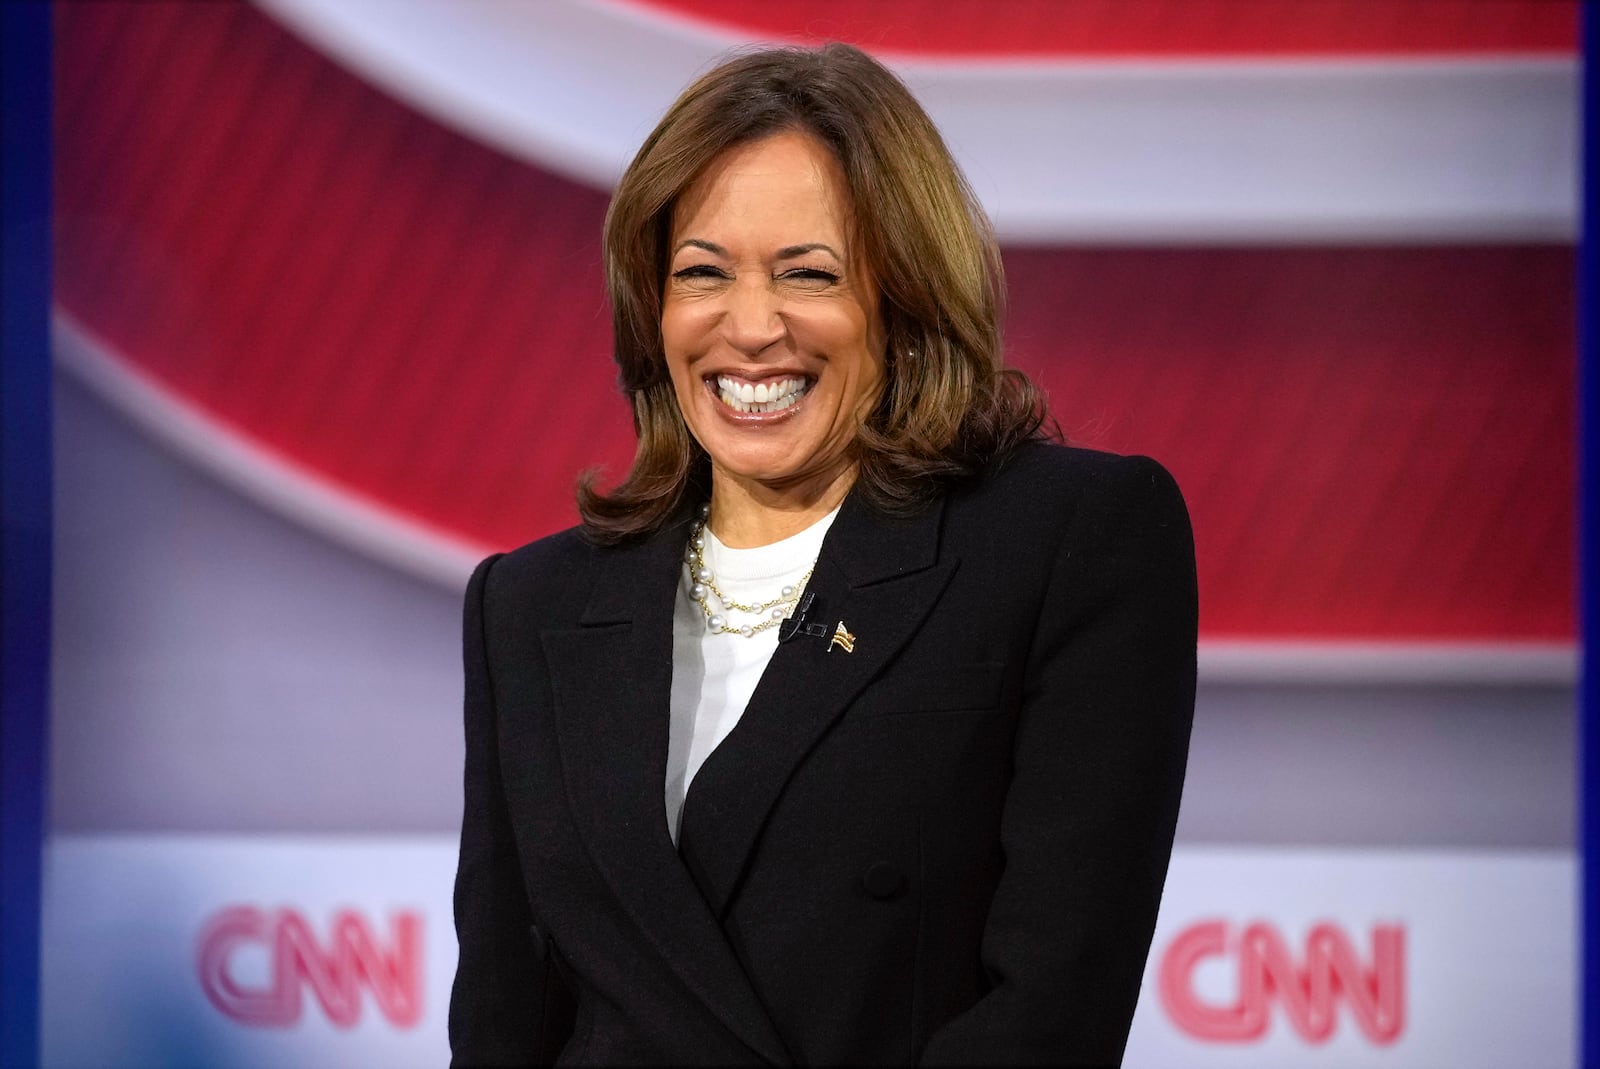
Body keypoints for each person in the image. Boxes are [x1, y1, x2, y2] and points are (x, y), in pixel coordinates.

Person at [448, 42, 1196, 1067]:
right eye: (701, 275)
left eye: (809, 275)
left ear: (905, 299)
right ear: (651, 309)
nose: (751, 328)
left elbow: (1050, 1015)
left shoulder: (1069, 539)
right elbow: (502, 1019)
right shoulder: (530, 604)